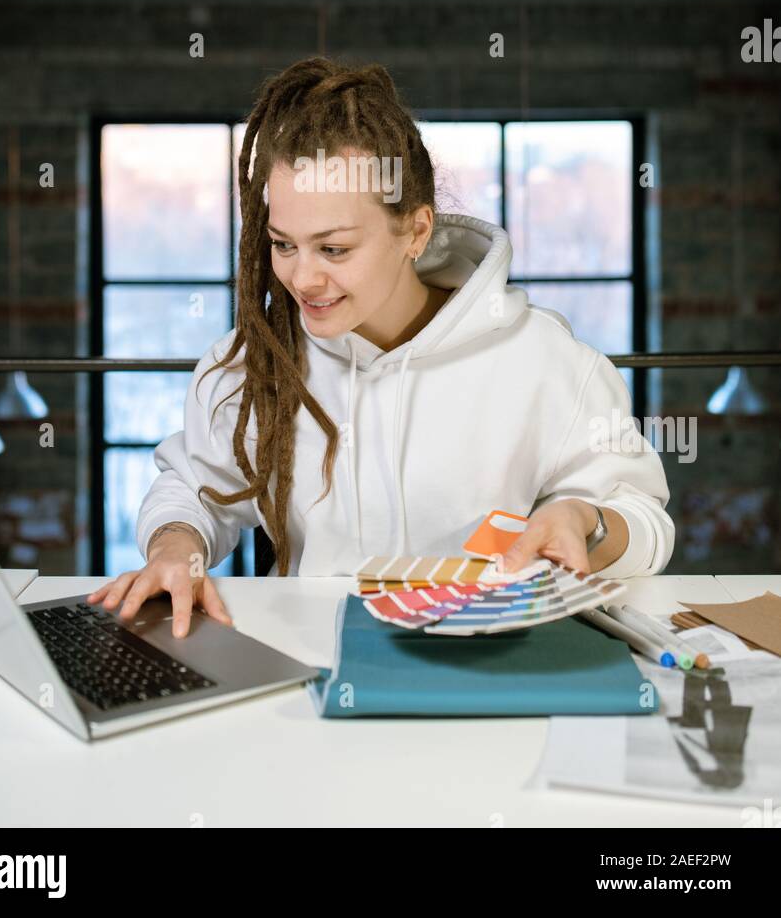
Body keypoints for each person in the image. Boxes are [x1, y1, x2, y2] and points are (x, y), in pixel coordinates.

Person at [88, 56, 674, 637]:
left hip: (490, 676)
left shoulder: (544, 360)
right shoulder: (254, 363)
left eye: (334, 249)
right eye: (283, 245)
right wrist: (174, 550)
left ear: (416, 231)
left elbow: (647, 524)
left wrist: (584, 519)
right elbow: (192, 489)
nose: (303, 279)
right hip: (308, 666)